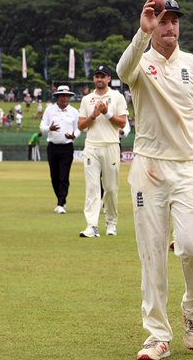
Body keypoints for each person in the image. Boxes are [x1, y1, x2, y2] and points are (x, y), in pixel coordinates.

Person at [116, 0, 193, 360]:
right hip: (149, 168)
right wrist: (141, 31)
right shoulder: (140, 64)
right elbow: (122, 71)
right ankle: (157, 335)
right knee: (152, 253)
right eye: (163, 21)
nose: (170, 28)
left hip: (189, 167)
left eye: (174, 22)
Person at [77, 65, 127, 238]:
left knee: (111, 188)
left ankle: (111, 223)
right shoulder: (87, 99)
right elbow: (81, 125)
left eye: (102, 76)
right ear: (94, 79)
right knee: (92, 187)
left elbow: (122, 123)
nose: (99, 79)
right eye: (97, 76)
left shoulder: (117, 97)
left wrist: (106, 113)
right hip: (92, 146)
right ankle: (92, 225)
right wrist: (94, 115)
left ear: (108, 79)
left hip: (111, 145)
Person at [39, 85, 80, 214]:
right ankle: (61, 199)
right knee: (54, 176)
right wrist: (48, 129)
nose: (65, 98)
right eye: (62, 95)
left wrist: (74, 135)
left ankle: (61, 203)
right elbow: (42, 126)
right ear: (57, 97)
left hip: (67, 147)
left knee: (64, 176)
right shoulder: (49, 110)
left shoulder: (74, 111)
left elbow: (78, 128)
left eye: (67, 96)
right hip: (52, 146)